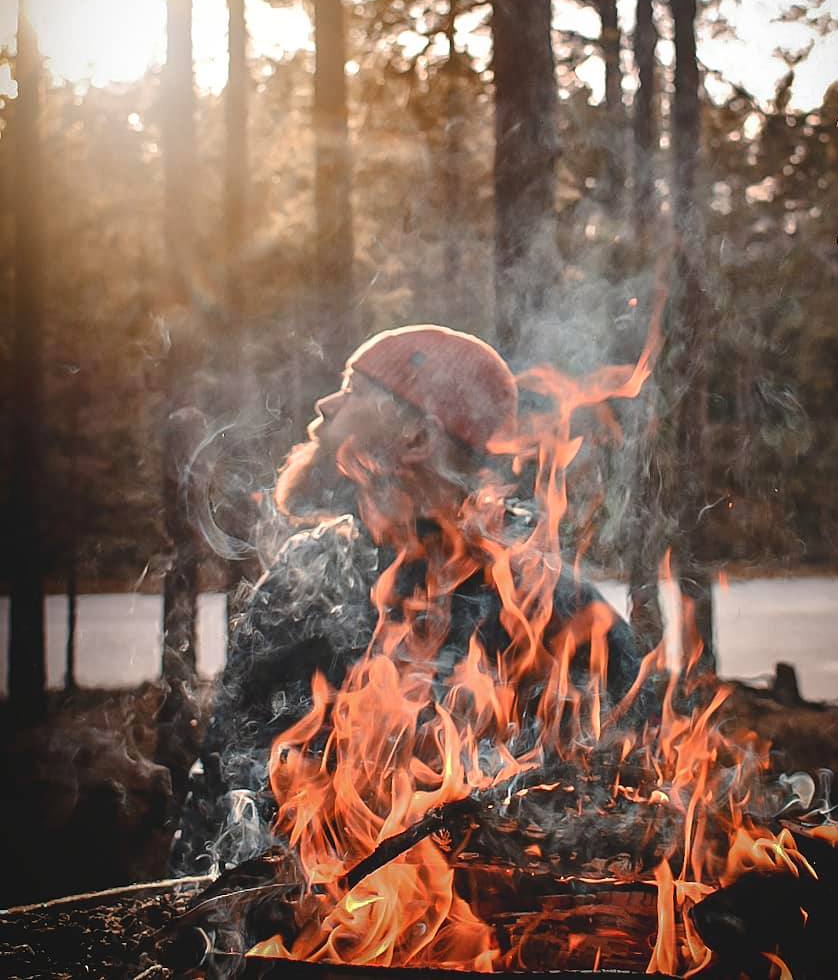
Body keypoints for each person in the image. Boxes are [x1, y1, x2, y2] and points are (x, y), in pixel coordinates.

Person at [171, 325, 646, 875]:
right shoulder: (307, 578)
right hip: (315, 942)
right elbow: (222, 779)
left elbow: (622, 795)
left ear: (417, 439)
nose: (326, 403)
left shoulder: (551, 613)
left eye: (354, 389)